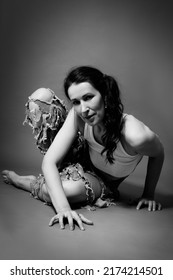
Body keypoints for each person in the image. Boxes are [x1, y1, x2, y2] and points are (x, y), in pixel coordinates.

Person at [2, 66, 164, 231]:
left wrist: (148, 194)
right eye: (76, 102)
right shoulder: (78, 114)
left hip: (102, 180)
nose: (83, 109)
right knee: (40, 97)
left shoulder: (135, 135)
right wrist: (64, 209)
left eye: (88, 97)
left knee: (66, 191)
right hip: (79, 155)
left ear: (105, 95)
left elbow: (158, 153)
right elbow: (49, 161)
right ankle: (57, 178)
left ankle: (25, 182)